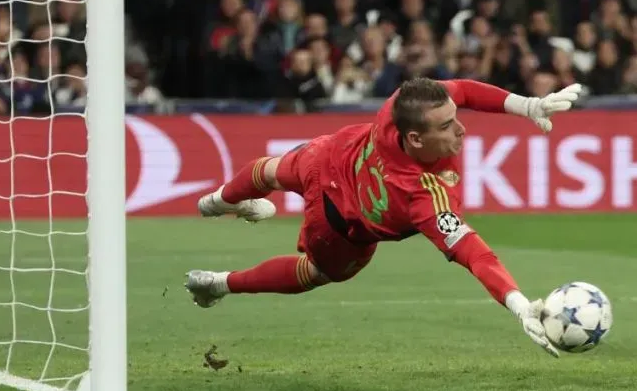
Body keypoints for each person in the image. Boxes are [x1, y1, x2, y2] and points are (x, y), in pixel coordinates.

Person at [185, 77, 581, 357]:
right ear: (415, 139)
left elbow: (461, 90)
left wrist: (526, 105)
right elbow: (476, 255)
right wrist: (517, 303)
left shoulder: (400, 105)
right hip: (336, 224)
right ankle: (219, 285)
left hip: (328, 154)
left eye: (455, 117)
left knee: (270, 171)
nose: (460, 129)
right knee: (316, 273)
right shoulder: (424, 196)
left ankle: (220, 201)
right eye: (446, 126)